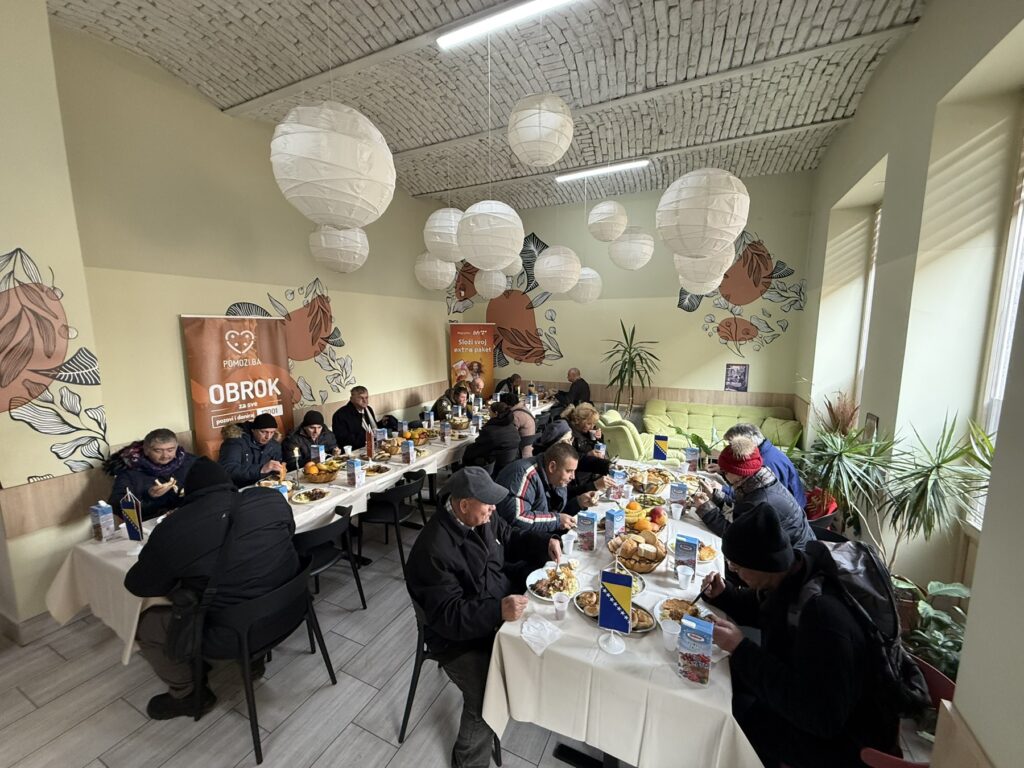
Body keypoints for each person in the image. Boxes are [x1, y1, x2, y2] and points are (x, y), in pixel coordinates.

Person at [701, 505, 901, 767]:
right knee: (723, 679)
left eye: (736, 567)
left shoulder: (823, 617)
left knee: (721, 717)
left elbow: (820, 717)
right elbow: (767, 609)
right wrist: (724, 595)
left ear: (763, 564)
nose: (734, 572)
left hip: (842, 742)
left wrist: (741, 648)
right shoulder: (796, 571)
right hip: (809, 694)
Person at [405, 467, 561, 768]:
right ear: (464, 505)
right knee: (487, 693)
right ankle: (468, 762)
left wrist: (544, 543)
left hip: (496, 602)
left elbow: (511, 537)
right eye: (487, 503)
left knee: (552, 632)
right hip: (454, 636)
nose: (493, 508)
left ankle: (529, 699)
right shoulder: (433, 549)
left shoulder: (483, 519)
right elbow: (449, 616)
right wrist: (497, 611)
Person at [125, 458, 299, 720]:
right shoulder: (271, 499)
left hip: (236, 632)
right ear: (228, 484)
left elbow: (140, 585)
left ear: (189, 493)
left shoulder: (175, 527)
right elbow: (289, 533)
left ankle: (187, 694)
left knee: (147, 625)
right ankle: (254, 661)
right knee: (252, 580)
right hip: (292, 607)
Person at [690, 434, 814, 551]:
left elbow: (734, 536)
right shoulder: (760, 480)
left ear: (738, 473)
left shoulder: (759, 501)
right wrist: (715, 495)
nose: (724, 475)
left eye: (725, 471)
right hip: (796, 544)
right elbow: (740, 507)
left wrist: (706, 509)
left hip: (791, 557)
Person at [106, 428, 197, 521]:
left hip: (189, 515)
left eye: (170, 450)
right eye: (158, 451)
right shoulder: (130, 470)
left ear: (176, 447)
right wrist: (149, 496)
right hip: (150, 522)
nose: (165, 455)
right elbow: (117, 506)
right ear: (146, 450)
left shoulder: (190, 462)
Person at [495, 442, 580, 532]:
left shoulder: (556, 478)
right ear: (552, 467)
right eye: (569, 471)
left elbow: (555, 512)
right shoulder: (524, 474)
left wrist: (579, 502)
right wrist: (557, 520)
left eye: (574, 471)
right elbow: (517, 517)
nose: (573, 477)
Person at [722, 423, 805, 508]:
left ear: (747, 444)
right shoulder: (768, 450)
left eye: (733, 445)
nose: (730, 449)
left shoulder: (766, 463)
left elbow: (753, 496)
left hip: (783, 509)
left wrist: (723, 489)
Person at [217, 413, 284, 487]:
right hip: (238, 488)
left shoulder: (274, 444)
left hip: (265, 486)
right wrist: (261, 469)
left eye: (272, 432)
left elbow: (276, 469)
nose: (268, 437)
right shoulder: (235, 442)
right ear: (253, 430)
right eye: (263, 432)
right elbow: (228, 470)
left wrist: (279, 470)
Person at [462, 401, 520, 474]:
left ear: (495, 413)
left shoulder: (489, 430)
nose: (489, 414)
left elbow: (477, 448)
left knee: (468, 451)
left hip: (493, 465)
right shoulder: (512, 427)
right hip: (510, 463)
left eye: (490, 412)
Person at [331, 386, 378, 450]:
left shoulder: (368, 409)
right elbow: (343, 440)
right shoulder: (340, 415)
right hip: (354, 450)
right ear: (351, 399)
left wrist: (382, 423)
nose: (365, 401)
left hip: (372, 446)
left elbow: (372, 427)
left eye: (366, 397)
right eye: (361, 398)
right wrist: (368, 435)